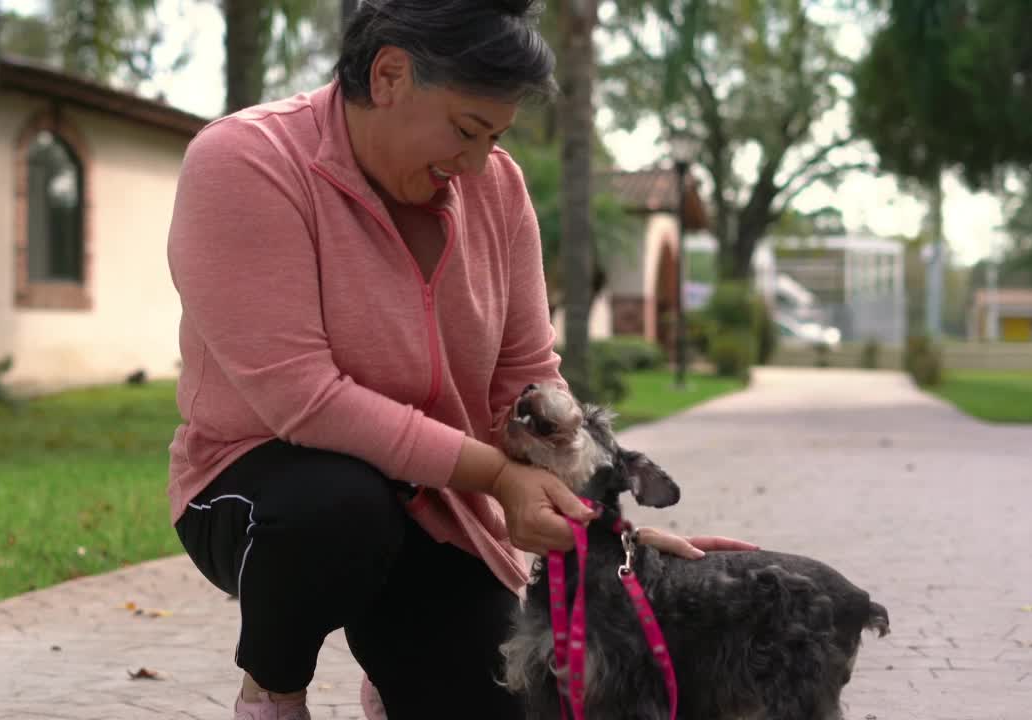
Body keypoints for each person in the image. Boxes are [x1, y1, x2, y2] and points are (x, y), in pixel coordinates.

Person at [165, 1, 755, 718]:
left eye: (495, 137)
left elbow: (528, 381)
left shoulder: (497, 187)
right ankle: (274, 683)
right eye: (467, 130)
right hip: (268, 489)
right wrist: (498, 476)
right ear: (388, 75)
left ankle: (394, 674)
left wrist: (606, 531)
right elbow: (303, 399)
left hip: (438, 504)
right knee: (339, 511)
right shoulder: (246, 162)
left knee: (500, 702)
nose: (477, 163)